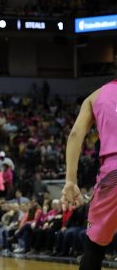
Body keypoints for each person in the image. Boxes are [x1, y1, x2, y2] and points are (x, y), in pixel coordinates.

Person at [61, 81, 117, 270]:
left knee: (94, 247)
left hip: (112, 174)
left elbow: (76, 134)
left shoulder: (95, 97)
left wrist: (70, 180)